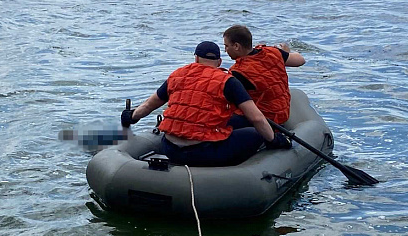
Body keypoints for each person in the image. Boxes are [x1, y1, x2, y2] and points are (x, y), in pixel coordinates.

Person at [121, 41, 291, 167]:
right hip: (204, 153)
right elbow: (257, 118)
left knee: (227, 124)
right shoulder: (228, 81)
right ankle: (240, 167)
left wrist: (131, 117)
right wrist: (274, 139)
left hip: (170, 148)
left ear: (196, 58)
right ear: (219, 62)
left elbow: (149, 106)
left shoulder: (177, 75)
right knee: (256, 133)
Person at [223, 25, 305, 128]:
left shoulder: (238, 72)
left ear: (236, 46)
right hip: (282, 112)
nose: (225, 50)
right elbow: (300, 60)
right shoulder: (273, 52)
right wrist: (285, 52)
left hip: (266, 119)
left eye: (226, 46)